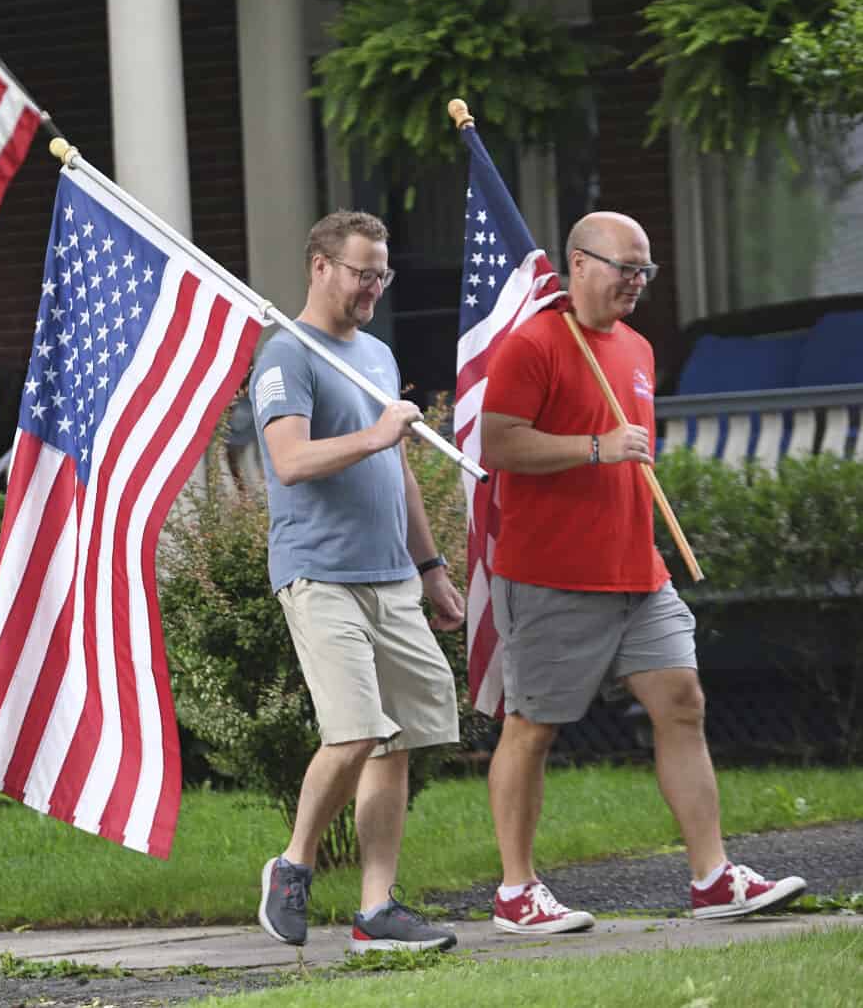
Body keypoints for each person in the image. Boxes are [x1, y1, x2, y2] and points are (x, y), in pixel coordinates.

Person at [480, 211, 806, 933]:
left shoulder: (635, 347)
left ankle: (712, 876)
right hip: (550, 573)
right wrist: (593, 448)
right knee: (532, 727)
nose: (635, 281)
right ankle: (514, 890)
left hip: (636, 568)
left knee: (681, 700)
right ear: (577, 264)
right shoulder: (532, 343)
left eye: (644, 269)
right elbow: (497, 443)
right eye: (625, 266)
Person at [253, 211, 466, 954]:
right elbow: (288, 459)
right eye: (361, 272)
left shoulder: (373, 354)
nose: (374, 285)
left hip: (390, 577)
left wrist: (431, 566)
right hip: (320, 574)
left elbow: (395, 468)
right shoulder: (287, 354)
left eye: (382, 273)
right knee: (353, 730)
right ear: (320, 266)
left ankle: (376, 909)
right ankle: (292, 863)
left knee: (397, 738)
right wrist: (376, 433)